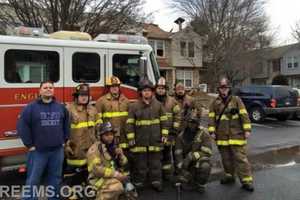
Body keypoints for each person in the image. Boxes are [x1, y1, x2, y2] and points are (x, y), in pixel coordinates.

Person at [17, 81, 70, 200]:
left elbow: (66, 124)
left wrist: (65, 140)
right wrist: (29, 144)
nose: (48, 89)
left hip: (57, 151)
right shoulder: (31, 107)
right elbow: (22, 126)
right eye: (45, 87)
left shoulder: (60, 107)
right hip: (38, 151)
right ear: (40, 91)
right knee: (33, 179)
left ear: (53, 90)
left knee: (55, 178)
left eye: (51, 87)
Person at [208, 77, 254, 192]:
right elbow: (211, 118)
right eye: (221, 88)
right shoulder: (214, 102)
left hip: (236, 135)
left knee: (241, 159)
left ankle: (246, 181)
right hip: (222, 136)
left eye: (225, 88)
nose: (223, 90)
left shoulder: (236, 100)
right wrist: (212, 131)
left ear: (229, 88)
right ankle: (229, 176)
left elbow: (244, 115)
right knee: (226, 159)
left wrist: (247, 129)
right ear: (218, 89)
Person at [126, 77, 168, 192]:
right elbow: (129, 123)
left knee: (156, 164)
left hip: (155, 141)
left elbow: (164, 121)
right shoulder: (134, 106)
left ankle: (156, 183)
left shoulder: (159, 105)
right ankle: (139, 183)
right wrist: (131, 138)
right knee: (141, 165)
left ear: (152, 92)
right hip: (140, 141)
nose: (147, 92)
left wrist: (164, 135)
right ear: (141, 92)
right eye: (144, 91)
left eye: (149, 90)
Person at [64, 83, 99, 192]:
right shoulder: (68, 109)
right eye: (81, 95)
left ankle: (87, 191)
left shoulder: (93, 109)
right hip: (75, 149)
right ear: (76, 96)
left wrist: (98, 144)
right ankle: (72, 193)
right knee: (73, 176)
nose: (84, 97)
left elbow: (98, 127)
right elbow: (61, 129)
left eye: (86, 95)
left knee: (89, 173)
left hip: (90, 148)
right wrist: (66, 145)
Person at [86, 122, 129, 200]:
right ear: (100, 136)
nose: (110, 137)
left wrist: (121, 155)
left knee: (130, 193)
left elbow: (124, 163)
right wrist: (116, 174)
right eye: (106, 135)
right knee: (117, 187)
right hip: (97, 179)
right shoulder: (94, 150)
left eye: (111, 134)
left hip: (111, 177)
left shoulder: (112, 146)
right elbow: (97, 170)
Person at [174, 109, 212, 193]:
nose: (192, 125)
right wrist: (182, 169)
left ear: (198, 123)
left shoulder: (203, 134)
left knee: (205, 166)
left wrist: (192, 156)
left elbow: (208, 152)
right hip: (185, 164)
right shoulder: (181, 136)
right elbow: (178, 155)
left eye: (194, 122)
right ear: (187, 123)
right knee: (184, 182)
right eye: (190, 122)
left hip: (197, 162)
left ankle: (200, 184)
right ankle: (188, 178)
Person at [155, 77, 181, 181]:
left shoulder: (173, 102)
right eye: (159, 88)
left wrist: (174, 130)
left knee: (166, 155)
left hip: (169, 134)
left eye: (163, 88)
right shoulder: (152, 101)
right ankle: (157, 176)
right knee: (156, 156)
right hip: (155, 135)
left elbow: (178, 116)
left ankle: (166, 176)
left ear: (166, 89)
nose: (160, 90)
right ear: (156, 89)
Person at [95, 76, 130, 151]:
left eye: (116, 86)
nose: (115, 88)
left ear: (119, 87)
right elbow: (98, 121)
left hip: (123, 137)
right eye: (112, 86)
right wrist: (100, 138)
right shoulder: (101, 101)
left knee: (124, 159)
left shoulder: (126, 101)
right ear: (108, 88)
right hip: (108, 138)